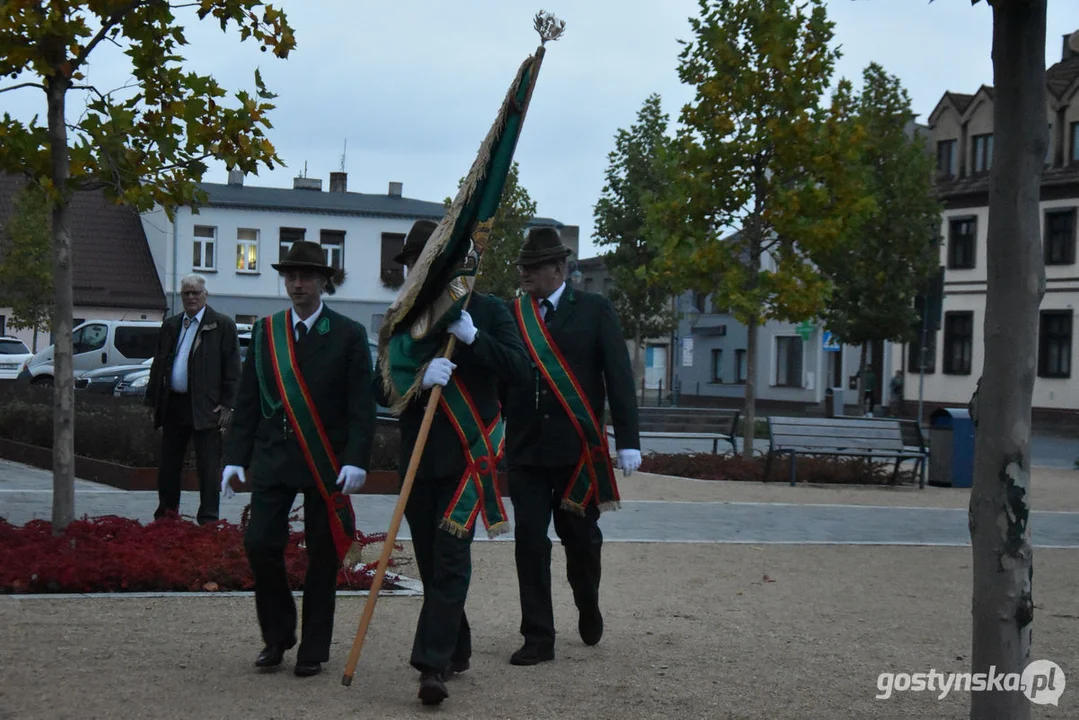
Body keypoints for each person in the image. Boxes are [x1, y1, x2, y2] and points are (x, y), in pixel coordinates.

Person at [376, 219, 531, 705]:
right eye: (412, 265)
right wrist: (417, 381)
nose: (417, 273)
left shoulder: (483, 311)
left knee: (451, 561)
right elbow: (378, 383)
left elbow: (520, 370)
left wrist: (473, 338)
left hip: (467, 460)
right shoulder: (403, 320)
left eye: (426, 263)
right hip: (420, 463)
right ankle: (457, 645)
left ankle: (431, 664)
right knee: (431, 563)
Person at [220, 241, 376, 678]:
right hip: (274, 456)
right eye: (290, 276)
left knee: (322, 557)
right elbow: (248, 399)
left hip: (326, 460)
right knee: (259, 544)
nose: (297, 284)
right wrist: (235, 457)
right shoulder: (268, 331)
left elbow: (360, 405)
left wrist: (356, 459)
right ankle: (277, 636)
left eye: (306, 276)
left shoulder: (346, 334)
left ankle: (313, 649)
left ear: (324, 281)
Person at [501, 226, 641, 666]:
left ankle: (588, 602)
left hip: (576, 453)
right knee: (529, 541)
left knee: (581, 541)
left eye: (535, 266)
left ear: (560, 268)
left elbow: (618, 376)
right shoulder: (513, 313)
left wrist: (629, 441)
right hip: (525, 451)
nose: (526, 273)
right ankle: (538, 636)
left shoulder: (594, 310)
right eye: (523, 266)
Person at [145, 273, 241, 525]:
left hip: (206, 407)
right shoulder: (172, 325)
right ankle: (166, 516)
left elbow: (233, 368)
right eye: (186, 293)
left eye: (195, 292)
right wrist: (152, 401)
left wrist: (229, 404)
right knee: (168, 466)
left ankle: (208, 520)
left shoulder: (221, 325)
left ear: (205, 295)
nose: (191, 297)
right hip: (174, 404)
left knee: (208, 467)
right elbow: (159, 364)